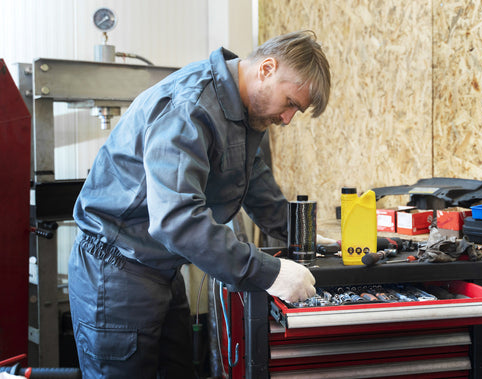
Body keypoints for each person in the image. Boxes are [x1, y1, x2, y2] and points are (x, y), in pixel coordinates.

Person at [68, 30, 331, 378]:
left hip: (160, 267)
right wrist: (267, 272)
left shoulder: (246, 115)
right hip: (117, 271)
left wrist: (313, 242)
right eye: (290, 104)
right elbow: (176, 218)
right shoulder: (189, 106)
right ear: (267, 68)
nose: (287, 119)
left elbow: (258, 190)